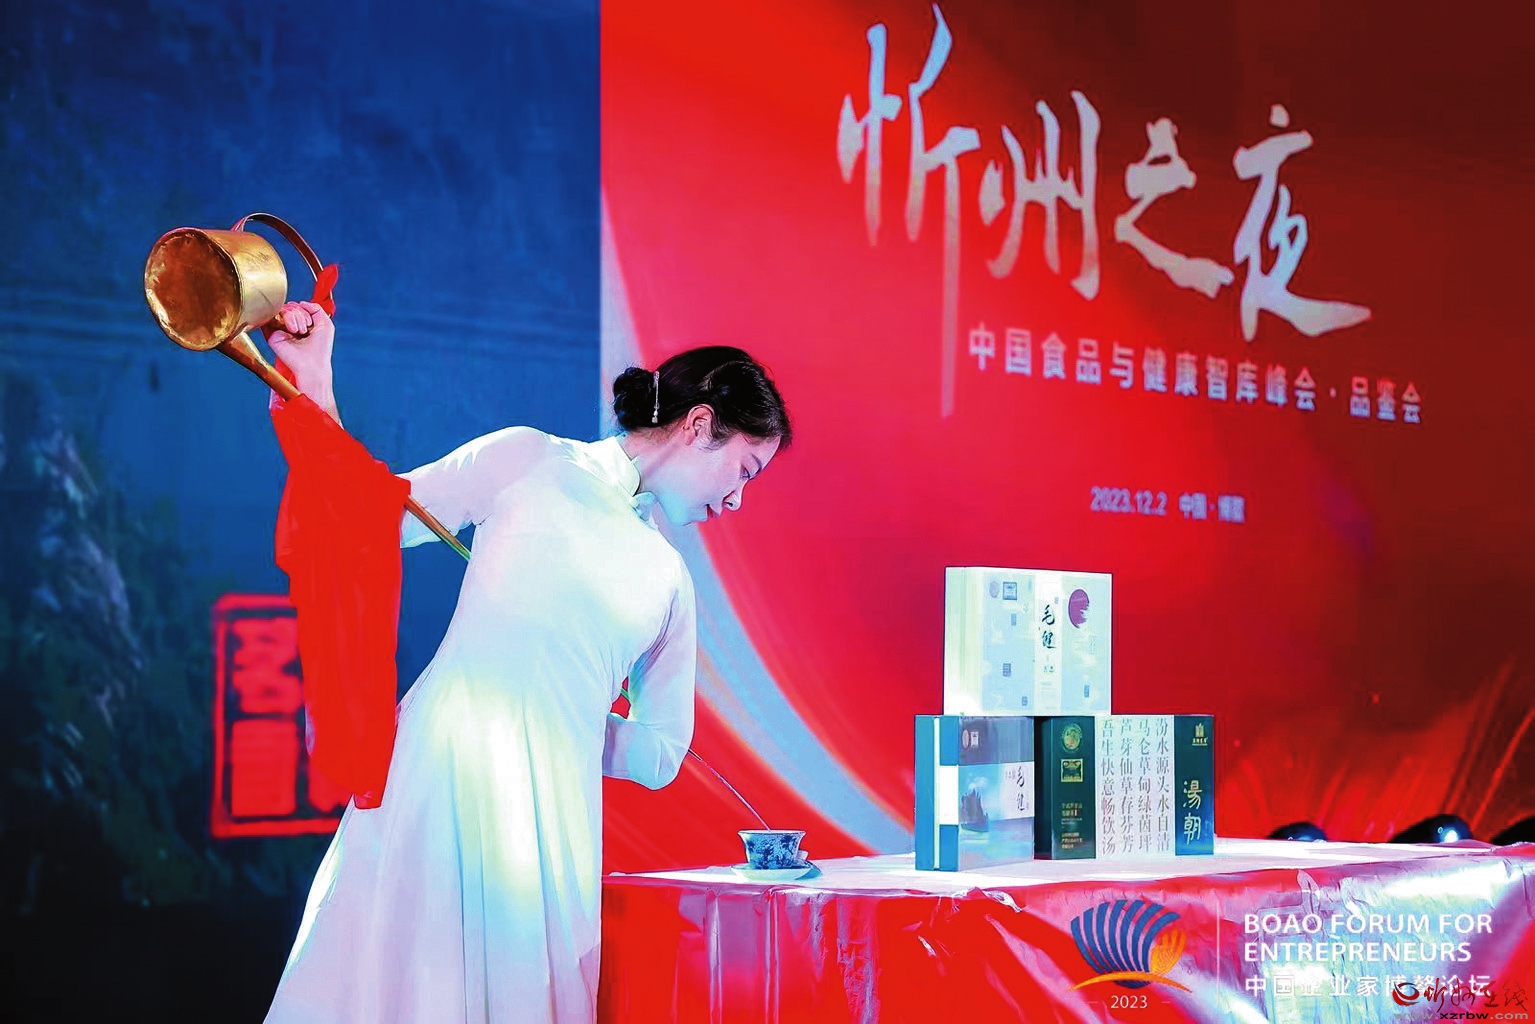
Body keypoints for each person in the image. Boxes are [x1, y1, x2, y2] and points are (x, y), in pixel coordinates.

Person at [260, 300, 791, 1023]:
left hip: (549, 823)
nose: (737, 499)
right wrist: (315, 380)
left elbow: (664, 753)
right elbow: (364, 510)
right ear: (699, 425)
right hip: (440, 775)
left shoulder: (669, 580)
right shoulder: (528, 459)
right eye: (744, 469)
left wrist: (570, 718)